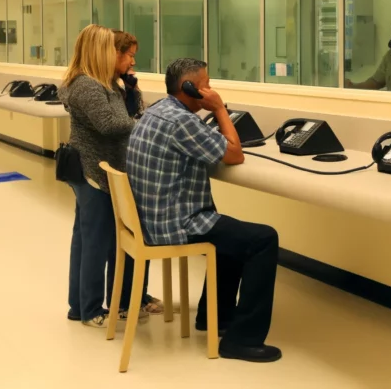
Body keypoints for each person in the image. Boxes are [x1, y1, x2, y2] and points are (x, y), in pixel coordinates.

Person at [126, 58, 282, 363]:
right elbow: (234, 154)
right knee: (263, 239)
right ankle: (242, 340)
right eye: (206, 84)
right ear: (190, 88)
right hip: (174, 224)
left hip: (152, 219)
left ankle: (215, 317)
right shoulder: (182, 121)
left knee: (231, 234)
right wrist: (220, 109)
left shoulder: (157, 110)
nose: (210, 89)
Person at [60, 25, 164, 329]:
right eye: (121, 53)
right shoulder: (89, 86)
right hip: (93, 171)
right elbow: (111, 124)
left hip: (100, 168)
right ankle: (90, 308)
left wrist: (131, 94)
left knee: (88, 238)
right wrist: (146, 124)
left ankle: (81, 306)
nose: (131, 61)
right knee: (94, 241)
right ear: (100, 51)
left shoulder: (106, 84)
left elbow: (129, 115)